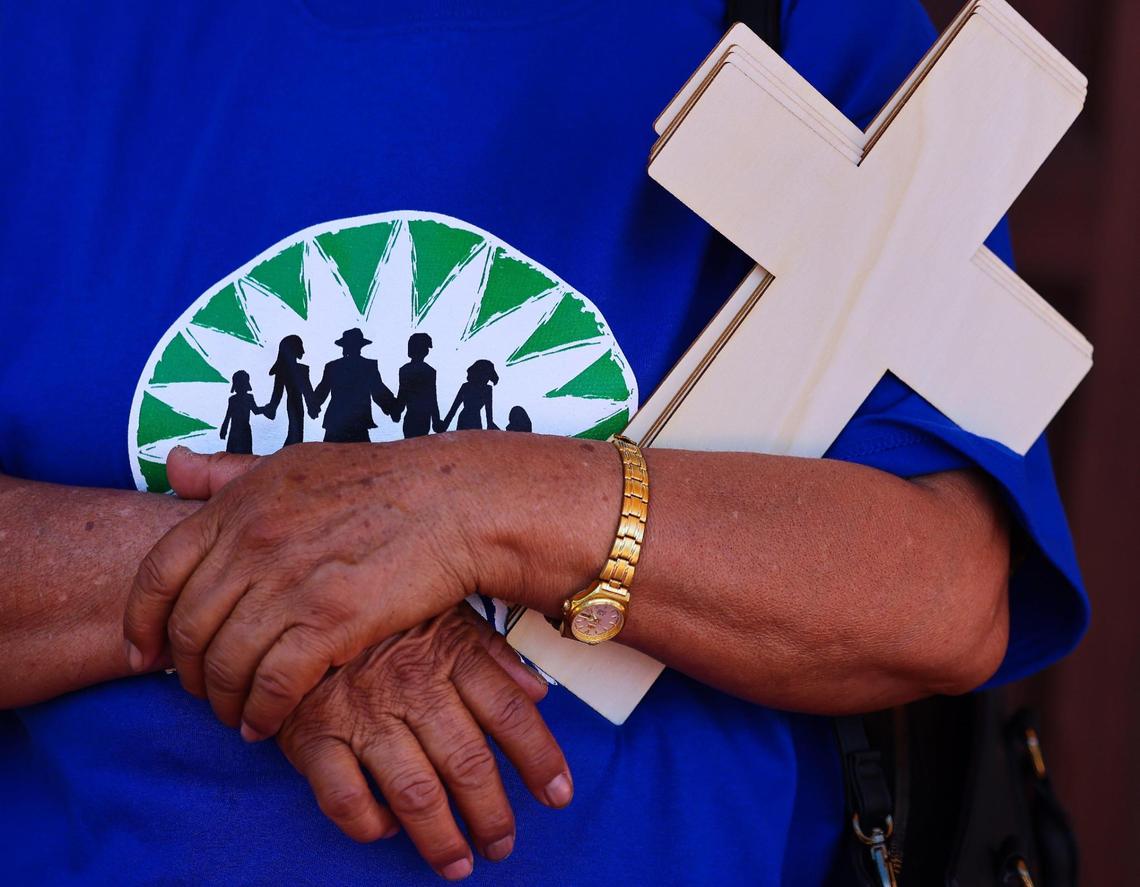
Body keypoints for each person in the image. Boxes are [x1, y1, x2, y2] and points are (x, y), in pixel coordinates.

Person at [0, 2, 1088, 885]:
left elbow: (947, 592)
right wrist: (301, 578)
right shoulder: (39, 45)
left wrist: (476, 506)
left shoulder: (792, 26)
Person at [312, 328, 397, 443]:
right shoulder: (368, 366)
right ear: (360, 346)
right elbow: (378, 391)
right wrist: (392, 408)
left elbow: (322, 390)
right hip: (357, 420)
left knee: (332, 456)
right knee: (359, 456)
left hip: (339, 421)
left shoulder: (333, 366)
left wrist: (314, 406)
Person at [264, 335, 317, 446]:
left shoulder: (295, 369)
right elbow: (307, 391)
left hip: (294, 403)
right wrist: (312, 406)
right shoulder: (299, 370)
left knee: (296, 434)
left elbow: (278, 393)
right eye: (300, 346)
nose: (303, 351)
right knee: (295, 434)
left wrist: (272, 407)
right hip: (295, 404)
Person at [393, 333, 442, 439]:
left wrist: (397, 412)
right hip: (423, 419)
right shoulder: (430, 371)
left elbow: (402, 395)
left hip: (411, 417)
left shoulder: (404, 370)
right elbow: (432, 398)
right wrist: (436, 420)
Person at [439, 359, 499, 432]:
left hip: (473, 421)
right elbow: (454, 408)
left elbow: (489, 413)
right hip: (469, 420)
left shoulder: (483, 389)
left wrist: (444, 425)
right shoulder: (469, 387)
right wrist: (444, 426)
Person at [218, 370, 265, 455]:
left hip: (241, 430)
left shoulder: (239, 399)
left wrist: (266, 409)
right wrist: (223, 429)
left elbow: (256, 411)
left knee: (243, 455)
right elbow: (228, 415)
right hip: (237, 431)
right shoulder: (235, 399)